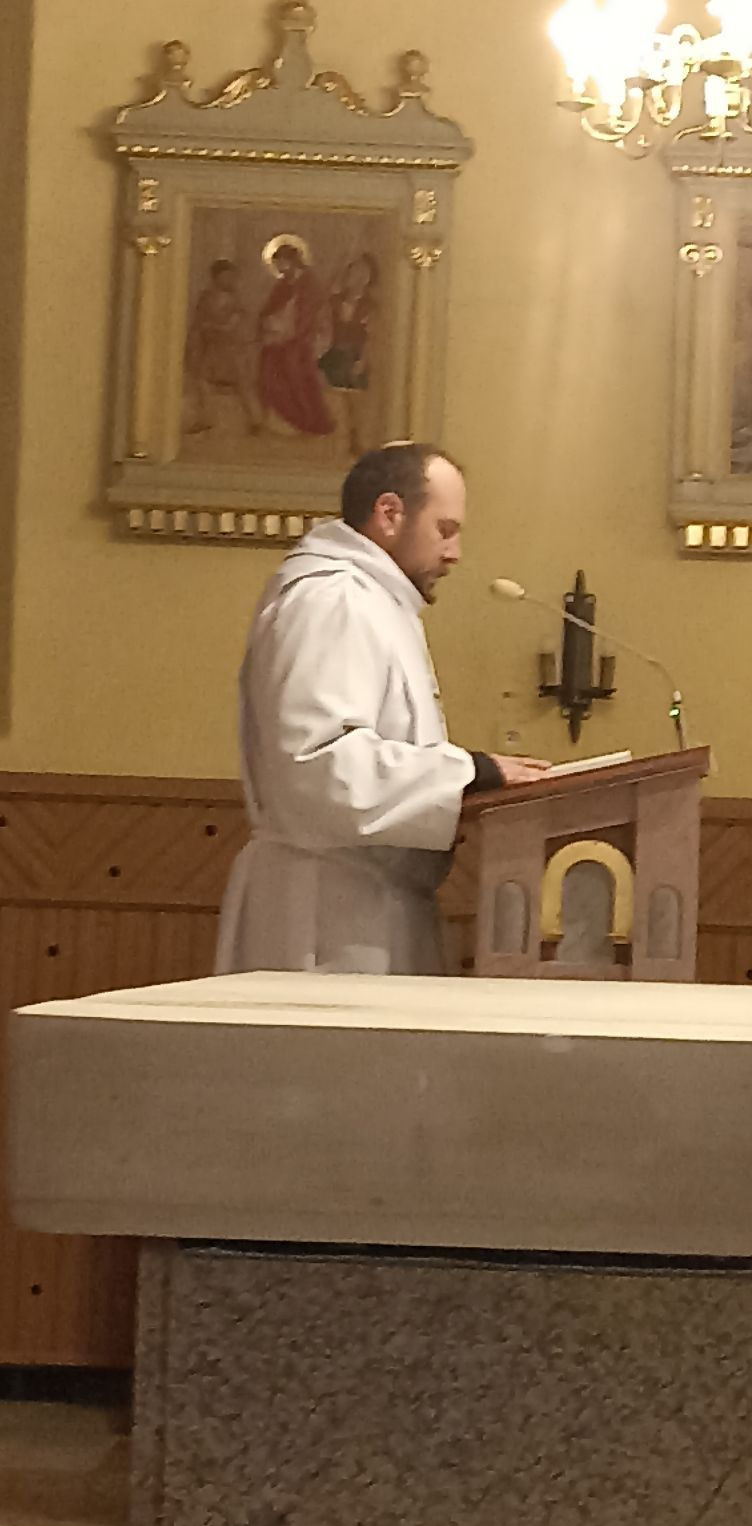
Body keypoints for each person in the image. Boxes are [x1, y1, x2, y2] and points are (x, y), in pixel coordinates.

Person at [215, 443, 549, 976]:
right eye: (445, 529)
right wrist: (472, 773)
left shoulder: (372, 602)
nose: (456, 553)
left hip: (365, 902)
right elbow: (318, 765)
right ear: (389, 514)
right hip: (326, 917)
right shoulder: (333, 601)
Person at [257, 241, 335, 437]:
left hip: (310, 336)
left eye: (282, 263)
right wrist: (267, 324)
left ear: (292, 261)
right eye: (277, 265)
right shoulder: (283, 285)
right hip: (285, 337)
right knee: (268, 364)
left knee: (294, 363)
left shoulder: (310, 284)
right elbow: (267, 310)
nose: (280, 269)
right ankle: (288, 421)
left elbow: (311, 317)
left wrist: (291, 335)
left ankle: (313, 420)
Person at [183, 259, 262, 435]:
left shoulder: (236, 300)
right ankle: (206, 418)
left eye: (231, 276)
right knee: (202, 381)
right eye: (225, 276)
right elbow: (199, 322)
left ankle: (256, 421)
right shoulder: (206, 297)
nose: (229, 280)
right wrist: (198, 339)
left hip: (232, 349)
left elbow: (237, 322)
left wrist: (222, 327)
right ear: (216, 277)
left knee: (243, 384)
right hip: (212, 348)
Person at [318, 253, 377, 457]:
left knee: (354, 403)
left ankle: (355, 439)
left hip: (354, 357)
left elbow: (371, 336)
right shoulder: (334, 301)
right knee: (334, 400)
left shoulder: (369, 306)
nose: (357, 278)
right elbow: (323, 326)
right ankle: (337, 439)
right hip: (334, 355)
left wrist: (363, 360)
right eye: (353, 272)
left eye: (363, 274)